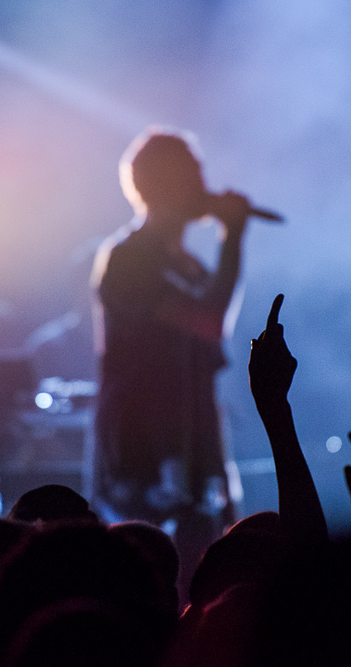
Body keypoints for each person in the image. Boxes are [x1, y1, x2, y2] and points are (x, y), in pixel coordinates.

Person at [91, 127, 254, 580]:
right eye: (193, 175)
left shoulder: (187, 265)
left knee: (207, 566)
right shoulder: (129, 259)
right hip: (145, 445)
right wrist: (233, 237)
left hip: (194, 440)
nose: (204, 187)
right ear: (166, 184)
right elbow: (210, 321)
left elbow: (210, 328)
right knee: (151, 571)